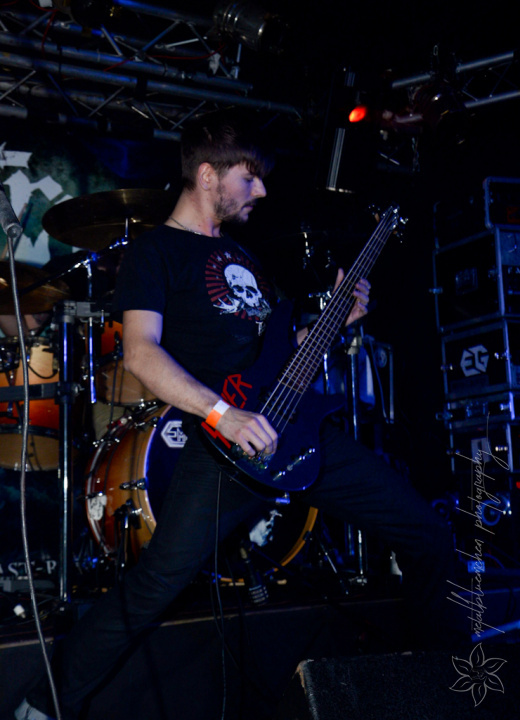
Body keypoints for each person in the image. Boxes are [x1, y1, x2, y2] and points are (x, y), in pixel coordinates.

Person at [16, 110, 457, 720]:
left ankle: (445, 687)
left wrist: (335, 322)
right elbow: (140, 353)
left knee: (428, 533)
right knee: (153, 586)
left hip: (293, 429)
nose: (262, 191)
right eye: (250, 177)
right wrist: (222, 414)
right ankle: (42, 705)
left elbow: (276, 354)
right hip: (223, 447)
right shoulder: (156, 252)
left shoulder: (244, 256)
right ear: (207, 175)